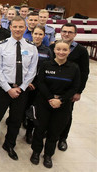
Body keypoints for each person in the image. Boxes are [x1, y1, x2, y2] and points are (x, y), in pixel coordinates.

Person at [0, 16, 38, 160]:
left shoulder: (31, 47)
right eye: (15, 26)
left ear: (25, 28)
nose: (18, 29)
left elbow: (32, 71)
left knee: (15, 120)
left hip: (21, 90)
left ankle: (9, 144)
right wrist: (8, 89)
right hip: (3, 88)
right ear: (10, 27)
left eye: (21, 27)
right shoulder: (1, 45)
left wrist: (21, 88)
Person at [30, 40, 80, 169]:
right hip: (44, 102)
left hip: (62, 105)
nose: (61, 52)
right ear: (54, 50)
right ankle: (36, 152)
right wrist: (51, 98)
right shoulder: (46, 65)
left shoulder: (74, 68)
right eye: (58, 49)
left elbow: (74, 87)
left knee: (54, 131)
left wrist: (61, 100)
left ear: (69, 51)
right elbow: (40, 82)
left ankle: (48, 155)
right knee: (40, 128)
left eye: (64, 50)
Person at [51, 23, 89, 151]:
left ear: (75, 34)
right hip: (53, 87)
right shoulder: (53, 46)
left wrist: (79, 91)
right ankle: (50, 134)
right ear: (60, 32)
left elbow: (84, 72)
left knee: (66, 115)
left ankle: (62, 138)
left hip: (69, 90)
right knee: (50, 111)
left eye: (70, 32)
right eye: (64, 31)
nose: (66, 34)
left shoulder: (81, 51)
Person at [24, 24, 53, 144]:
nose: (37, 36)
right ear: (32, 34)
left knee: (35, 110)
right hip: (26, 84)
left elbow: (48, 70)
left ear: (44, 36)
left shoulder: (47, 51)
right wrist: (27, 82)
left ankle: (29, 132)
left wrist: (37, 83)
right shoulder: (25, 48)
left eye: (40, 34)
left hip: (39, 85)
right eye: (35, 33)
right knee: (24, 107)